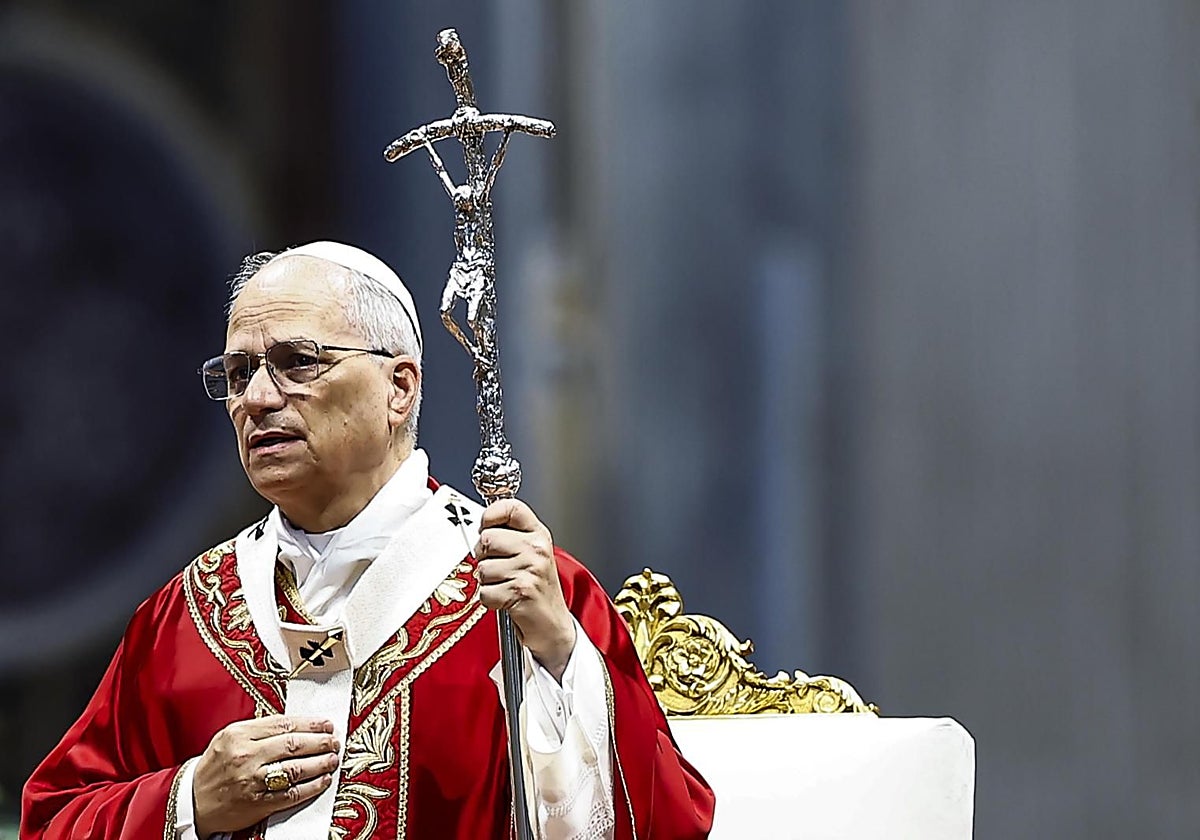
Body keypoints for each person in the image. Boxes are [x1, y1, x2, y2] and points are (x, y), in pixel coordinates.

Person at [21, 242, 715, 839]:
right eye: (238, 374)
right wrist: (192, 801)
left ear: (399, 388)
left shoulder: (522, 587)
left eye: (298, 362)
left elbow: (667, 821)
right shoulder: (186, 618)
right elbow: (54, 820)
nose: (257, 398)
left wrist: (562, 659)